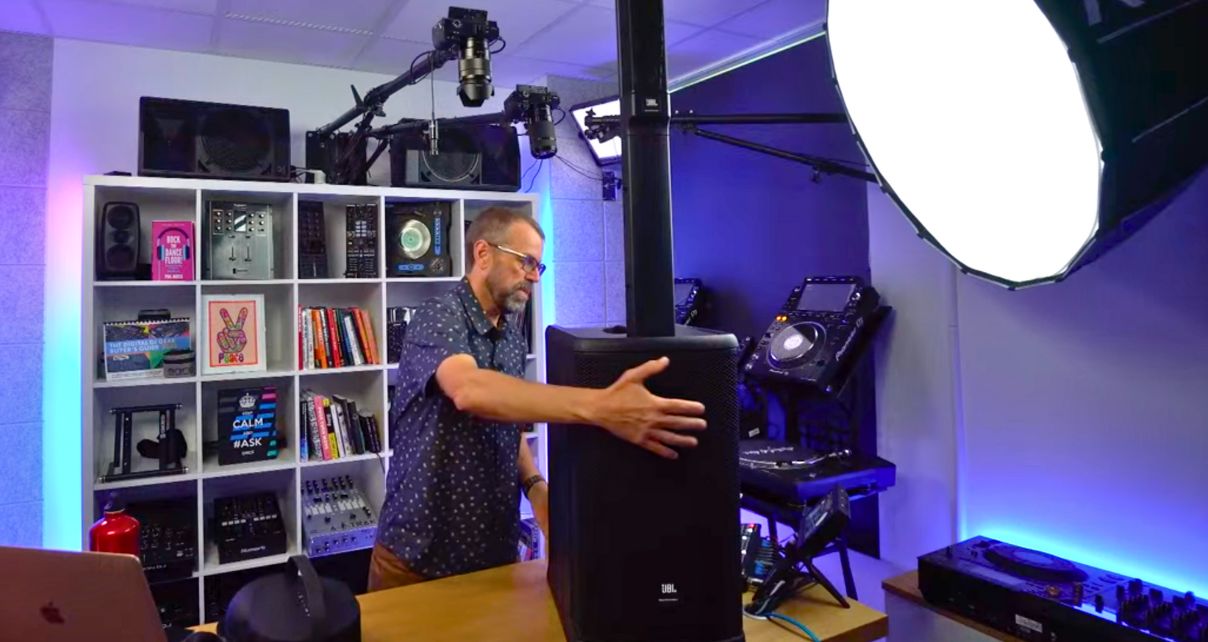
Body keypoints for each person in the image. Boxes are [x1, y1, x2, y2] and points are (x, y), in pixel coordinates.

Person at [368, 206, 708, 591]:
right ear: (483, 254)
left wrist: (534, 485)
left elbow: (504, 418)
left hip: (493, 557)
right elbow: (469, 390)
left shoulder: (513, 337)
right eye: (526, 262)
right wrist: (602, 408)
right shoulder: (437, 316)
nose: (534, 276)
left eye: (538, 266)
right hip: (416, 560)